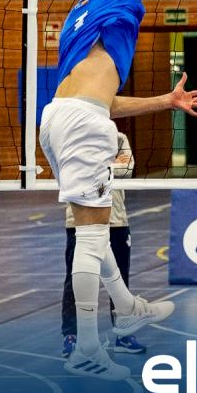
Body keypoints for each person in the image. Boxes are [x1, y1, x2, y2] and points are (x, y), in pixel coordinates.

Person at [44, 0, 197, 381]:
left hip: (61, 118)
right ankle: (87, 349)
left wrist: (165, 101)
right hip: (81, 122)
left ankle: (129, 307)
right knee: (92, 235)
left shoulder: (76, 19)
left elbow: (105, 101)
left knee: (95, 223)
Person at [62, 132, 142, 357]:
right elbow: (72, 172)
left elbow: (127, 169)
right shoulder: (73, 137)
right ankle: (72, 336)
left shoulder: (119, 138)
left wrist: (95, 168)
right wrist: (111, 165)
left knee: (120, 280)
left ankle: (124, 334)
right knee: (75, 280)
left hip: (116, 221)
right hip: (79, 221)